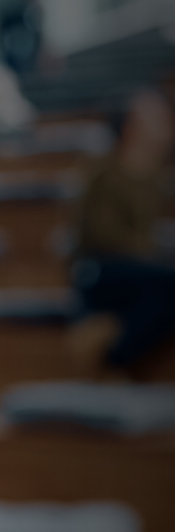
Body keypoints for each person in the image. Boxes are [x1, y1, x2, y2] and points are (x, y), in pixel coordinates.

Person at [69, 89, 175, 373]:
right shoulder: (103, 172)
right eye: (157, 121)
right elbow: (105, 237)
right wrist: (158, 250)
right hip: (100, 271)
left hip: (138, 271)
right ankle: (115, 358)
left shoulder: (153, 176)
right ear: (131, 127)